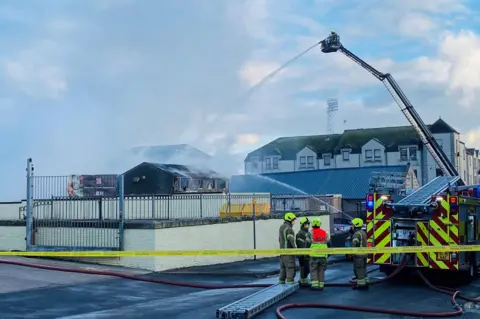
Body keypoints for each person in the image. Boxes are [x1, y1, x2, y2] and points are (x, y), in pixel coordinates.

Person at [309, 218, 330, 290]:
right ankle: (321, 285)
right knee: (321, 270)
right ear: (319, 224)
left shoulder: (310, 233)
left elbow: (307, 243)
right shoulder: (325, 232)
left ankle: (315, 285)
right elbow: (329, 243)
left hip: (314, 255)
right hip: (323, 255)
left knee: (314, 269)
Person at [278, 212, 297, 285]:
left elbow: (279, 239)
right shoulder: (289, 229)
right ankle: (290, 284)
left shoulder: (281, 227)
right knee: (290, 268)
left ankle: (281, 282)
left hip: (282, 252)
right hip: (288, 252)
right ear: (290, 220)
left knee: (283, 269)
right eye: (294, 219)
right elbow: (291, 240)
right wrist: (295, 249)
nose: (294, 221)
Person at [351, 218, 369, 290]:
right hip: (364, 254)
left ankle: (361, 285)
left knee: (359, 269)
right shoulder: (363, 232)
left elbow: (354, 244)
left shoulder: (356, 234)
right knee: (363, 268)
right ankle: (366, 282)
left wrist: (351, 253)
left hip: (359, 255)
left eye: (352, 225)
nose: (351, 226)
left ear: (356, 225)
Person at [296, 217, 312, 287]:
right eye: (306, 224)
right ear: (302, 225)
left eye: (308, 224)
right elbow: (300, 245)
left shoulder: (308, 233)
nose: (307, 225)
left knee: (307, 267)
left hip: (308, 253)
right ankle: (302, 280)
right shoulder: (300, 234)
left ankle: (304, 279)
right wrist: (305, 253)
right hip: (302, 254)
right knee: (303, 267)